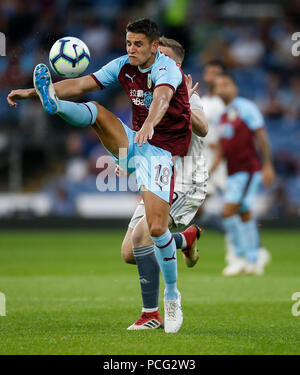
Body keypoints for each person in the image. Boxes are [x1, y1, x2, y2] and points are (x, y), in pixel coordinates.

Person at [7, 18, 192, 333]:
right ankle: (54, 106)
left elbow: (161, 98)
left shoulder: (167, 69)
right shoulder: (123, 65)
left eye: (137, 44)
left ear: (154, 46)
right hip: (134, 144)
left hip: (161, 152)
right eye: (128, 43)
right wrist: (31, 93)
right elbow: (81, 83)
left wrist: (150, 123)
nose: (130, 49)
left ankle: (171, 297)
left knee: (157, 228)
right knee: (95, 110)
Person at [119, 36, 208, 330]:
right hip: (157, 178)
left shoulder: (185, 94)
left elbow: (204, 129)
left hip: (187, 179)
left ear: (177, 65)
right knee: (130, 254)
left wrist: (183, 106)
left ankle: (152, 314)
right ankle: (185, 239)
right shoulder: (149, 95)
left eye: (164, 57)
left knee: (143, 237)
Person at [210, 73, 275, 276]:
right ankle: (254, 258)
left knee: (228, 211)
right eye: (219, 85)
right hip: (233, 171)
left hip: (248, 169)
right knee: (244, 212)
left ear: (235, 88)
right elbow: (221, 149)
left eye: (226, 84)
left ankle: (238, 258)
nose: (222, 88)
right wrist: (210, 170)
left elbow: (261, 136)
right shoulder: (221, 117)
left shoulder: (246, 108)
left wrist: (268, 165)